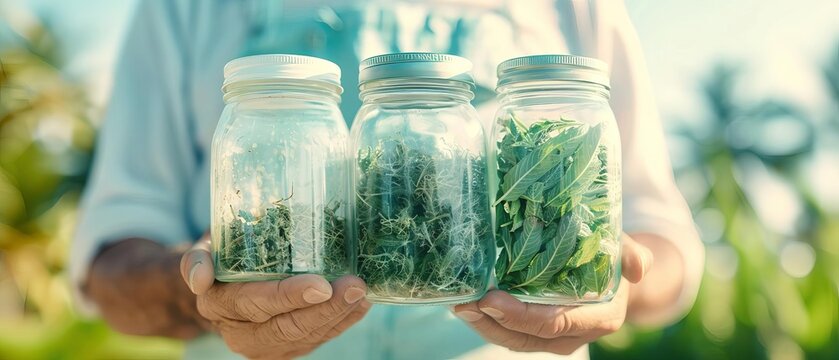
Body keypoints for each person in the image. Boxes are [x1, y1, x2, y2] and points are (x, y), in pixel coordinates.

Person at [71, 0, 704, 359]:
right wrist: (209, 291)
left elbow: (666, 243)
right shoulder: (185, 9)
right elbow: (110, 264)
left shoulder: (577, 10)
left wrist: (600, 273)